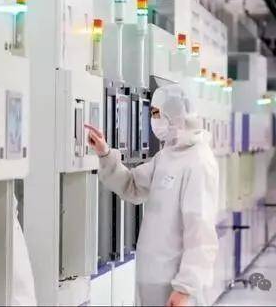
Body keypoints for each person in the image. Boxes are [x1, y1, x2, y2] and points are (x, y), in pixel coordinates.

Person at [85, 83, 219, 306]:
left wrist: (185, 288)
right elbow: (132, 185)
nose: (153, 120)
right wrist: (104, 153)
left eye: (156, 113)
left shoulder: (199, 162)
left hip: (176, 285)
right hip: (152, 280)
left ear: (174, 115)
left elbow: (200, 232)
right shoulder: (166, 157)